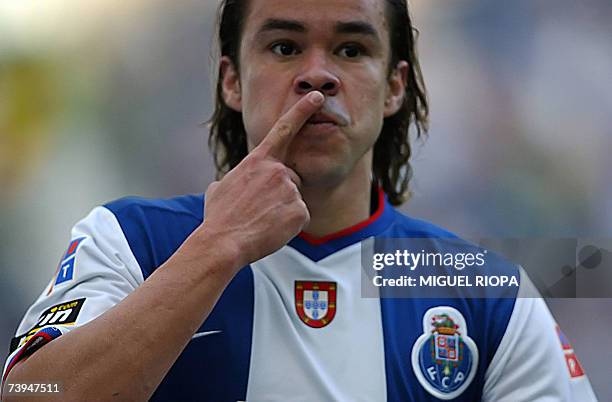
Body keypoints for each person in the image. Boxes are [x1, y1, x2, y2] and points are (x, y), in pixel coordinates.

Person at [1, 0, 598, 400]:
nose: (318, 75)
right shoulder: (130, 240)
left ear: (394, 86)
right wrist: (217, 246)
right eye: (285, 47)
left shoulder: (482, 290)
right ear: (232, 80)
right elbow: (31, 395)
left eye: (351, 49)